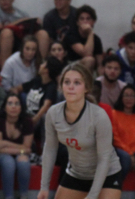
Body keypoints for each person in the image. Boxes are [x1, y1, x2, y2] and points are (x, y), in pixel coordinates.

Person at [38, 62, 122, 199]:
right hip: (76, 174)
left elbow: (104, 158)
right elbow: (50, 149)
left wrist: (92, 196)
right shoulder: (53, 113)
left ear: (87, 88)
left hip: (107, 174)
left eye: (77, 83)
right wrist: (44, 187)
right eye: (67, 82)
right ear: (61, 86)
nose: (71, 87)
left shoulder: (99, 116)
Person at [0, 0, 50, 66]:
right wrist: (22, 21)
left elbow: (29, 29)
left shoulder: (22, 13)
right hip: (1, 44)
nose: (4, 0)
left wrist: (36, 22)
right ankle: (5, 72)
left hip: (20, 43)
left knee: (43, 34)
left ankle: (40, 68)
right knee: (7, 33)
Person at [0, 94, 34, 199]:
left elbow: (27, 148)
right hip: (0, 156)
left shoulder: (27, 122)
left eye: (17, 103)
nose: (13, 107)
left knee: (23, 162)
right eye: (10, 103)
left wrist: (5, 143)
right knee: (8, 162)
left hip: (19, 153)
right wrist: (21, 148)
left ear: (21, 107)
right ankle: (8, 197)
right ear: (5, 107)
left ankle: (24, 196)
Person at [15, 56, 63, 128]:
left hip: (37, 118)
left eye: (43, 64)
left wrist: (34, 119)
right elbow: (19, 88)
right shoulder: (37, 80)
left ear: (46, 70)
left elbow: (46, 105)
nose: (40, 65)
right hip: (26, 113)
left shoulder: (51, 87)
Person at [63, 5, 104, 74]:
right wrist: (90, 33)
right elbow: (86, 54)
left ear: (93, 21)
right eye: (82, 19)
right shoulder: (71, 35)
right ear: (77, 22)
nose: (85, 22)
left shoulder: (96, 39)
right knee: (89, 60)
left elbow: (100, 64)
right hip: (69, 67)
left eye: (88, 19)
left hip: (89, 70)